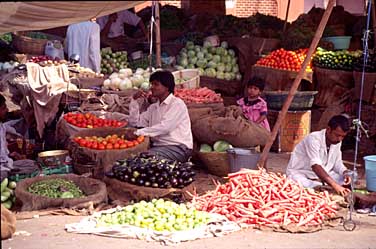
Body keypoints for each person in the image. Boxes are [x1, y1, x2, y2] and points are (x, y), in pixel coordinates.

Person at [128, 70, 193, 162]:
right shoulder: (153, 108)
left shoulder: (177, 104)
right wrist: (134, 101)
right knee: (135, 158)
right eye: (151, 84)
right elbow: (135, 123)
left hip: (178, 148)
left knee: (145, 159)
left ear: (166, 87)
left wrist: (138, 133)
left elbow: (165, 127)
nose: (152, 88)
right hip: (159, 148)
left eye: (156, 84)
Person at [286, 115, 352, 196]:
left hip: (323, 175)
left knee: (346, 180)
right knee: (300, 182)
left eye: (343, 136)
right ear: (328, 129)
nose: (340, 139)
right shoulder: (313, 138)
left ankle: (324, 186)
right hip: (302, 173)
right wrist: (335, 185)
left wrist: (345, 172)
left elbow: (337, 163)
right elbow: (315, 166)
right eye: (337, 135)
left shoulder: (337, 142)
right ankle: (321, 187)